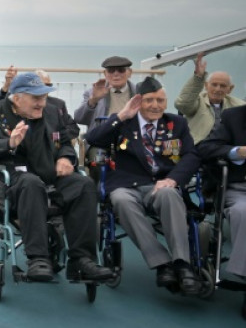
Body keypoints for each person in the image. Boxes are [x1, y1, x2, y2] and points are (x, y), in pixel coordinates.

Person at [0, 72, 112, 283]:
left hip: (50, 175)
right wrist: (9, 143)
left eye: (44, 97)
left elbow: (65, 142)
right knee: (31, 183)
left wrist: (65, 157)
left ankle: (81, 260)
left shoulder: (53, 113)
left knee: (83, 184)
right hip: (11, 179)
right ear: (17, 98)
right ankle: (38, 258)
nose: (42, 103)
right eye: (36, 98)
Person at [85, 76, 201, 295]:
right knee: (121, 200)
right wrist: (121, 115)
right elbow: (92, 139)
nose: (155, 105)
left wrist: (173, 179)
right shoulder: (122, 122)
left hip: (161, 184)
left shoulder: (177, 123)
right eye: (149, 100)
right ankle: (161, 263)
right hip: (126, 184)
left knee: (169, 194)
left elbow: (191, 156)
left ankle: (181, 263)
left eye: (160, 100)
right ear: (138, 101)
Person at [198, 104, 246, 284]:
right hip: (239, 188)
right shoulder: (233, 116)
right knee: (243, 212)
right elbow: (206, 148)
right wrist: (237, 152)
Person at [74, 56, 137, 180]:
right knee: (97, 161)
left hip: (131, 139)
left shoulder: (139, 92)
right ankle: (100, 194)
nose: (116, 74)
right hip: (101, 139)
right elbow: (78, 118)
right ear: (105, 74)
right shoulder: (94, 92)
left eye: (121, 70)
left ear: (129, 73)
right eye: (111, 70)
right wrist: (93, 100)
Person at [175, 52, 244, 144]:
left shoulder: (237, 105)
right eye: (214, 84)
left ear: (230, 89)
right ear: (206, 86)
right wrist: (198, 77)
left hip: (227, 148)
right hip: (199, 146)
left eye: (223, 86)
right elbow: (183, 104)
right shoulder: (197, 101)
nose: (218, 89)